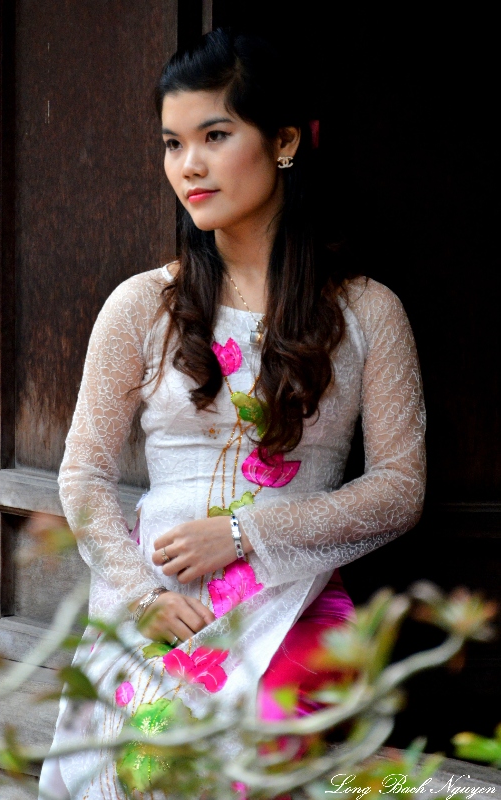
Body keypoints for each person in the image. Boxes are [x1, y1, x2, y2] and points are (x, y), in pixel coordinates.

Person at [38, 28, 426, 800]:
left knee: (254, 758)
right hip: (162, 604)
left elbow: (400, 487)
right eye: (173, 143)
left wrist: (247, 533)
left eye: (215, 135)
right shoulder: (143, 306)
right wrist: (142, 599)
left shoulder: (367, 312)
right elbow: (82, 474)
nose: (189, 165)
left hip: (294, 597)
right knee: (151, 769)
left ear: (282, 142)